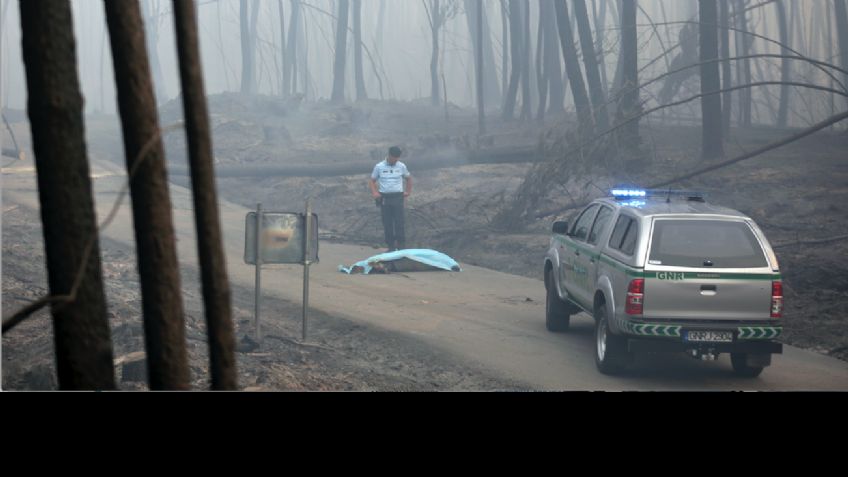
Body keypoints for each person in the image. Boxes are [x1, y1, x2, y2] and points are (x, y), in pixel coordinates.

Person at [369, 146, 412, 251]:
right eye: (394, 158)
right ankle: (391, 246)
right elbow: (372, 181)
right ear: (389, 155)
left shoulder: (401, 166)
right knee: (387, 223)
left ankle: (401, 246)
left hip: (398, 197)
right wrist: (375, 192)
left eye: (397, 158)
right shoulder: (379, 166)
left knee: (399, 222)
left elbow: (408, 178)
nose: (395, 160)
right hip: (385, 198)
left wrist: (408, 192)